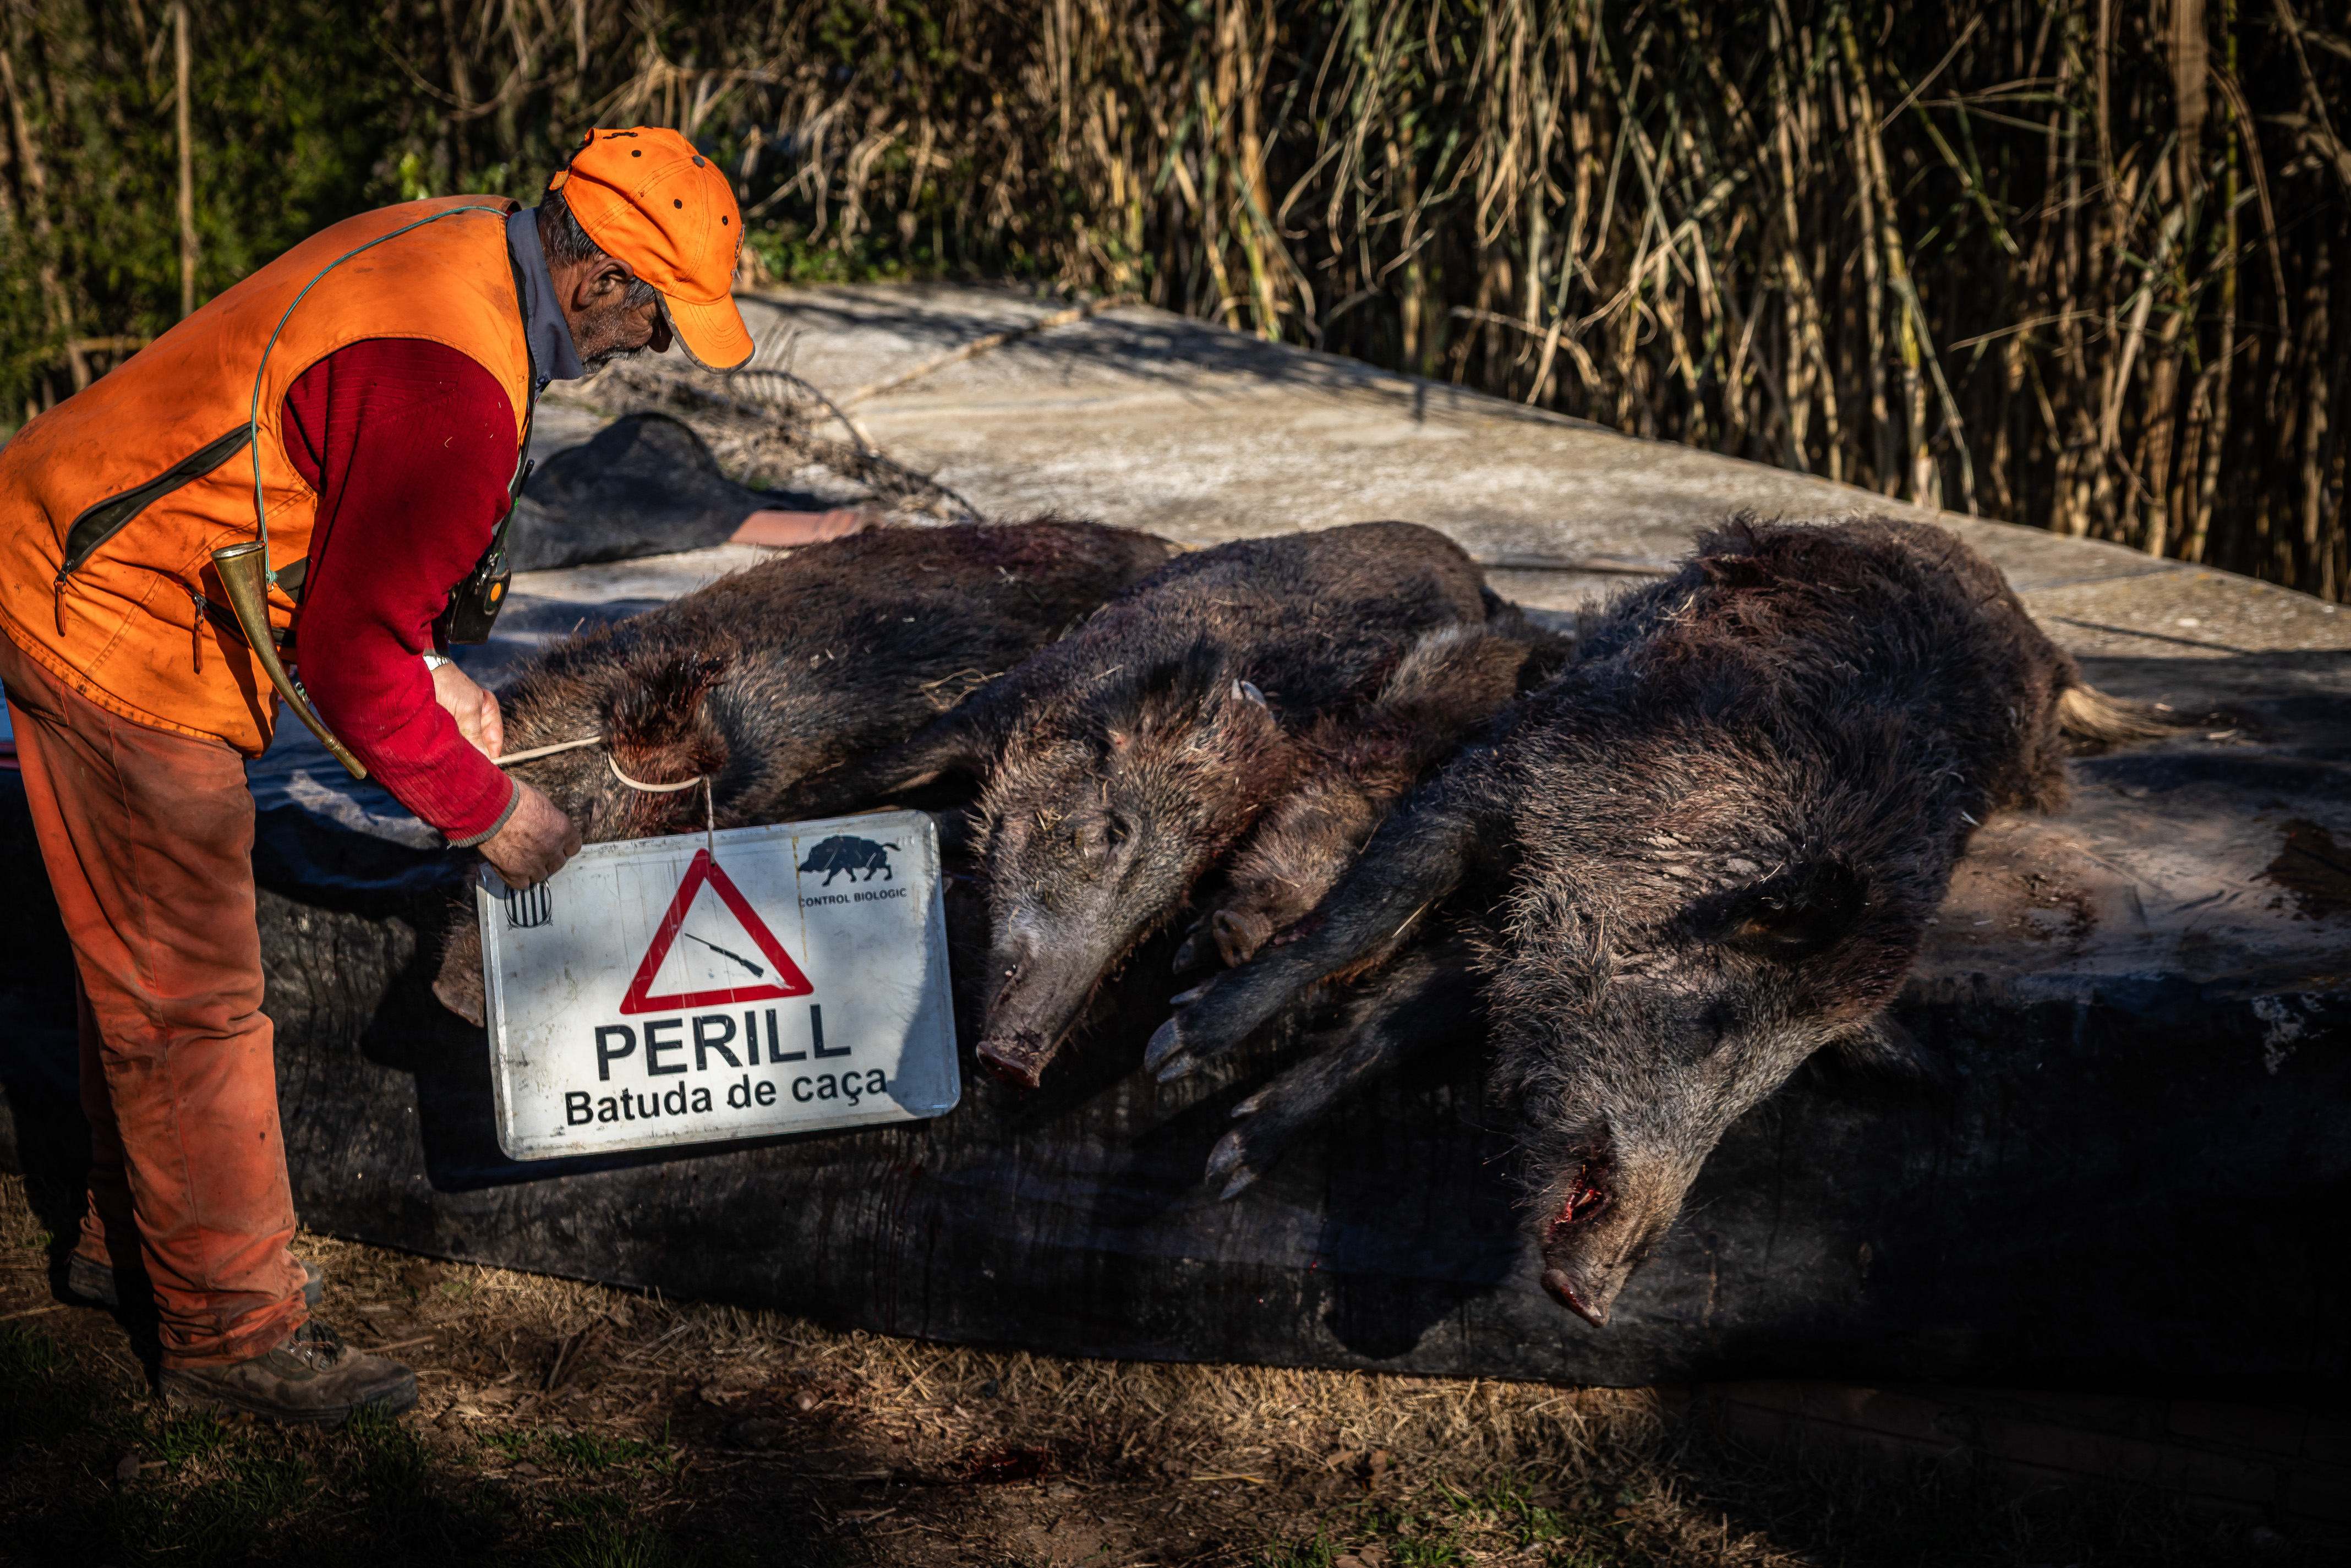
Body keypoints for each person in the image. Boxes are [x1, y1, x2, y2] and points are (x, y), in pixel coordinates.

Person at [0, 126, 753, 1425]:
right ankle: (230, 1333)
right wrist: (494, 812)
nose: (655, 350)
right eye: (661, 320)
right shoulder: (455, 390)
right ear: (599, 278)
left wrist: (429, 664)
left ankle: (132, 1246)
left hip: (78, 540)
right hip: (108, 614)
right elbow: (352, 668)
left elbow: (343, 520)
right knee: (192, 995)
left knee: (141, 973)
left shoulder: (458, 244)